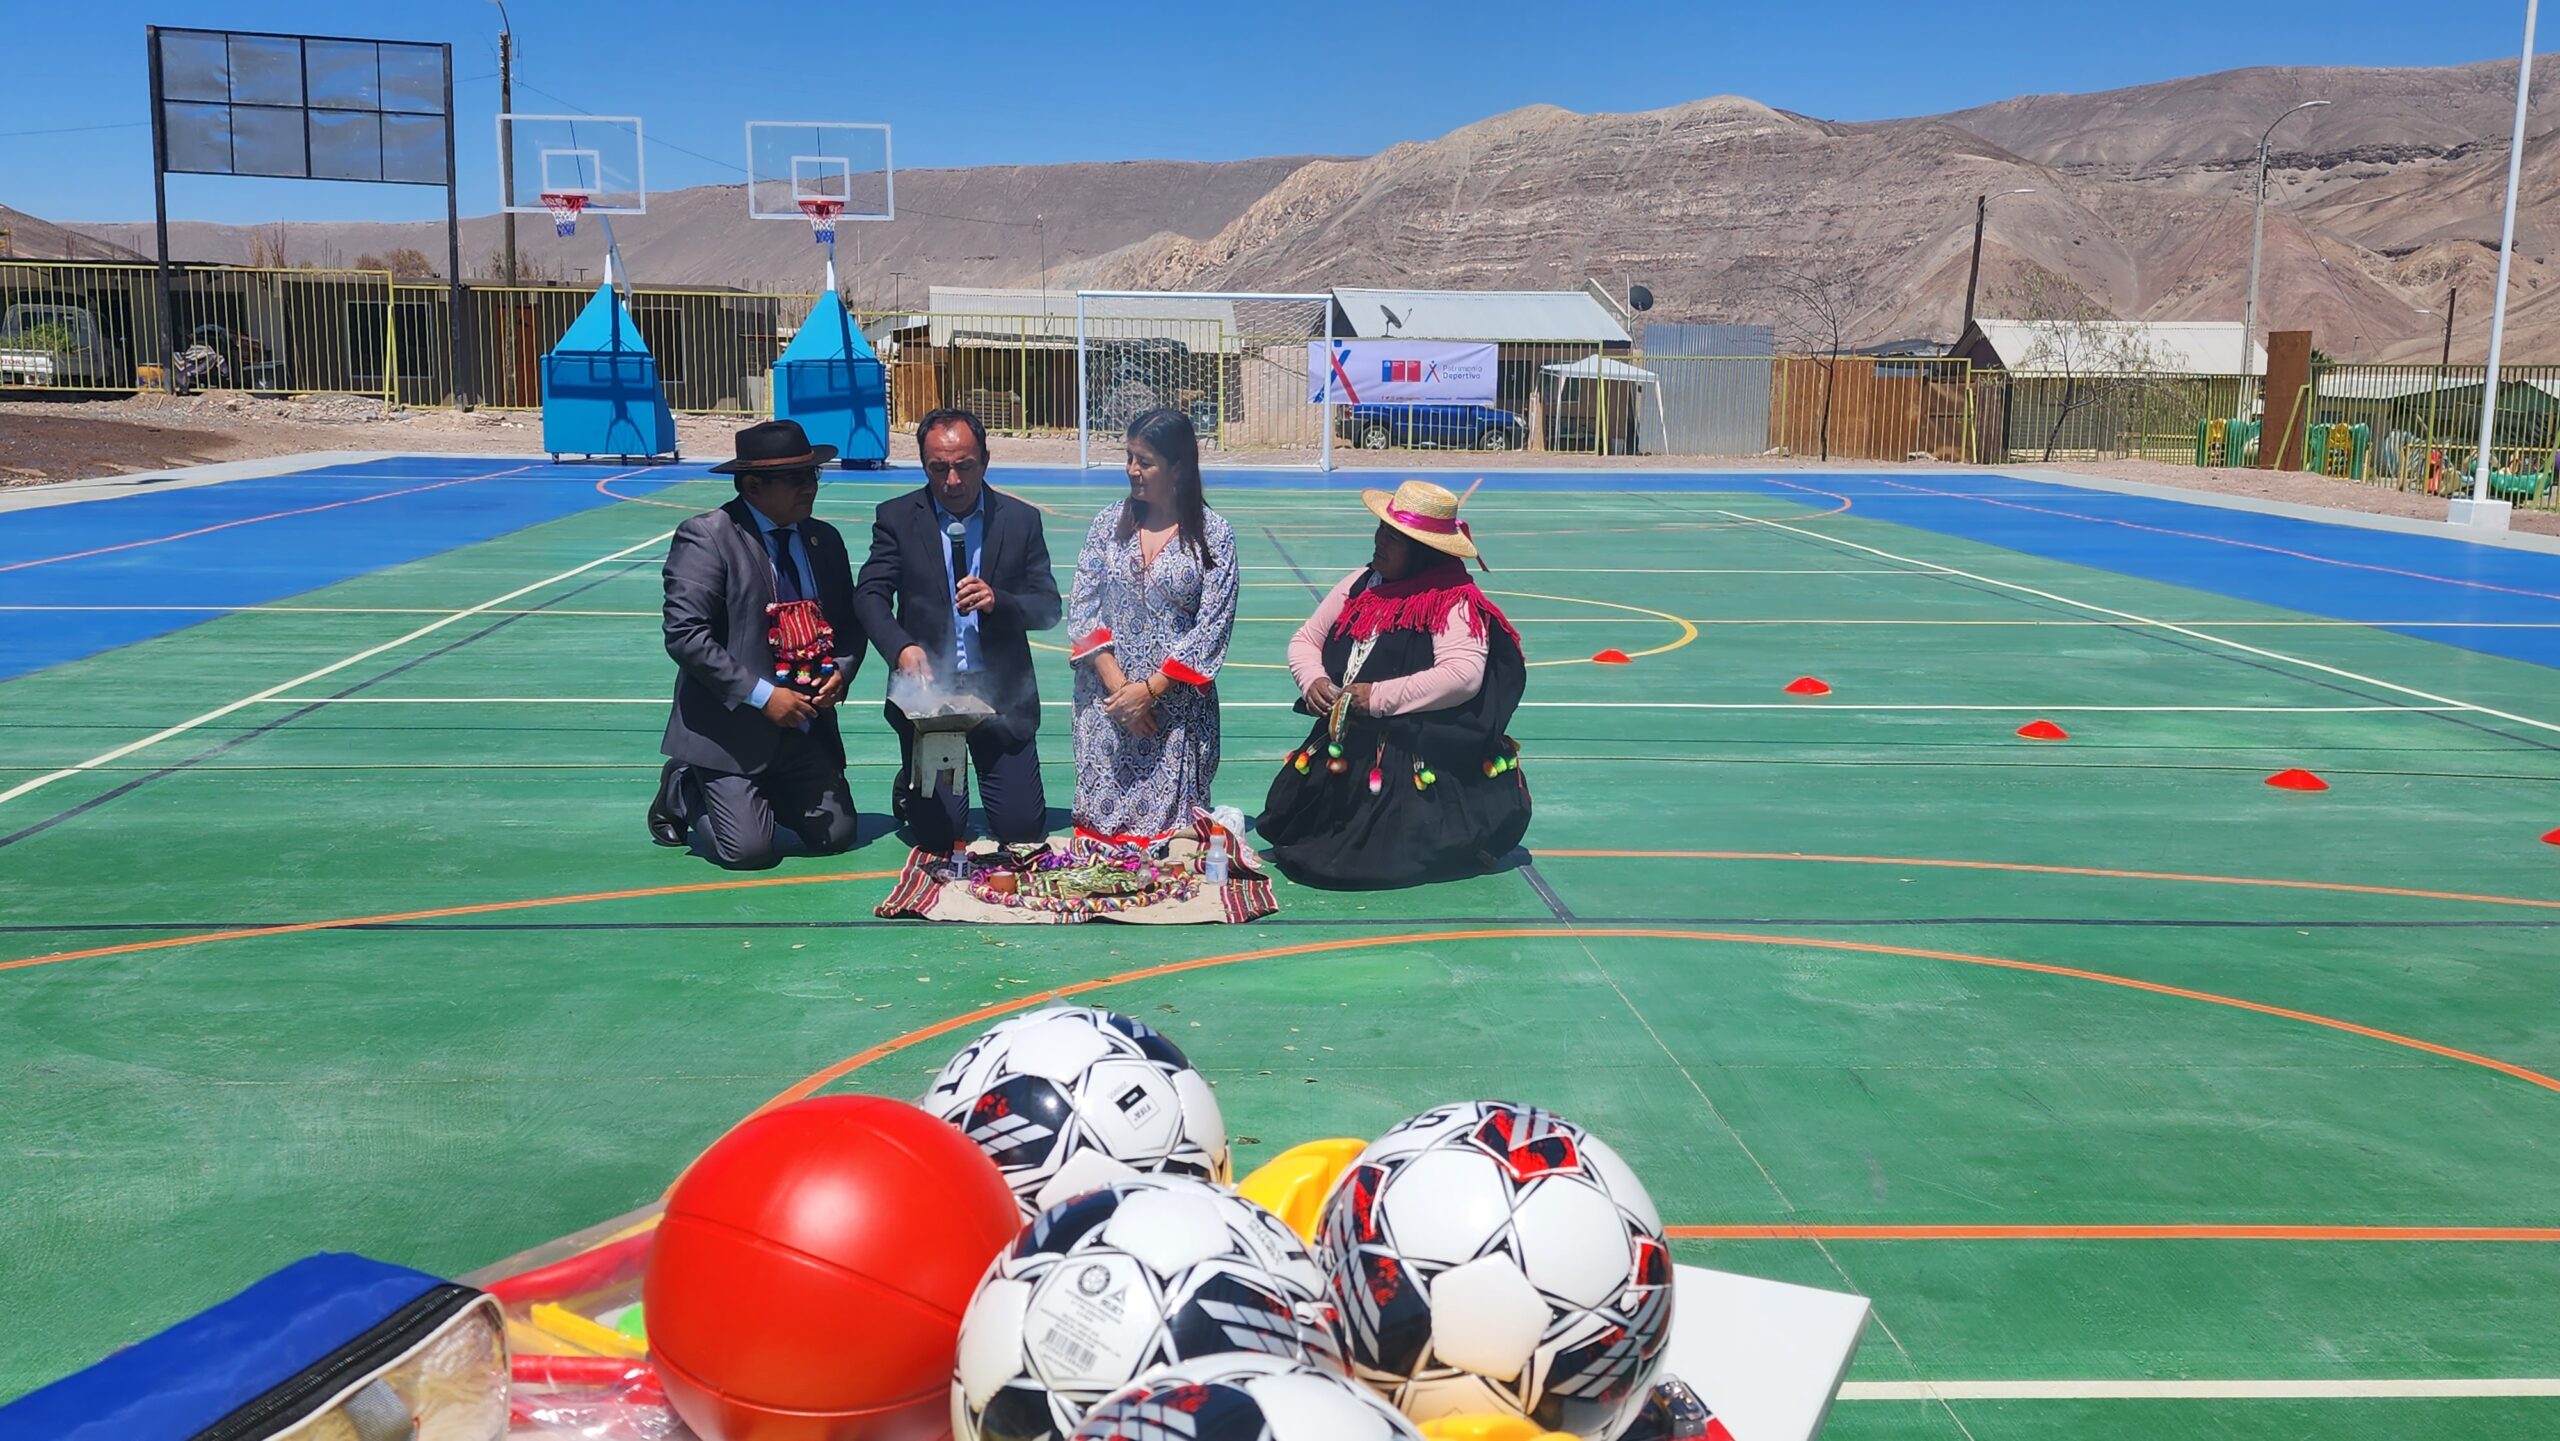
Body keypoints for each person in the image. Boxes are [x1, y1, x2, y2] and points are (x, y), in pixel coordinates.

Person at [1258, 479, 1530, 889]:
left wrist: (1376, 697)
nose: (1380, 541)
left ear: (1423, 550)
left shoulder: (1451, 600)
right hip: (1348, 747)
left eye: (1394, 537)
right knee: (1296, 833)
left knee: (1349, 862)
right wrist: (1312, 678)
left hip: (1411, 755)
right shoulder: (1362, 584)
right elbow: (1307, 639)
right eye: (1382, 530)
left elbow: (1463, 676)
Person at [648, 419, 865, 869]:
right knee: (748, 851)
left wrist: (842, 669)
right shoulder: (707, 537)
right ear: (752, 485)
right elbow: (685, 634)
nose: (810, 487)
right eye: (796, 479)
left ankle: (763, 791)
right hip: (732, 728)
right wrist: (764, 697)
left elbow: (848, 622)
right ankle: (685, 788)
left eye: (813, 475)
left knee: (837, 837)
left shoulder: (823, 540)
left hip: (804, 725)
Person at [856, 407, 1062, 852]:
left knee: (1021, 829)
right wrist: (901, 648)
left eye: (964, 467)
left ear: (985, 460)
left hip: (1001, 697)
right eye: (938, 468)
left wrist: (999, 602)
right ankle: (910, 780)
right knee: (939, 836)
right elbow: (869, 595)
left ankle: (954, 778)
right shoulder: (896, 517)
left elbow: (1048, 608)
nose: (952, 481)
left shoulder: (1021, 520)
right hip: (931, 697)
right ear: (923, 464)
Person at [1065, 409, 1240, 842]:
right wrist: (1121, 691)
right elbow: (1083, 608)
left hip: (1174, 711)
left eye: (1145, 461)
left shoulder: (1215, 536)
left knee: (1173, 852)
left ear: (1178, 467)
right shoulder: (1108, 524)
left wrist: (1149, 692)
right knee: (1101, 847)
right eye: (1129, 458)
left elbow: (1212, 628)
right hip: (1107, 705)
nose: (1132, 470)